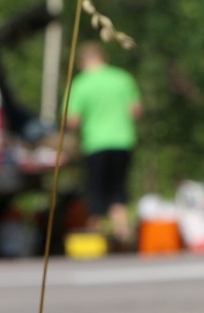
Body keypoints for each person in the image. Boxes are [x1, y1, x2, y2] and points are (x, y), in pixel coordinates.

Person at [66, 42, 142, 248]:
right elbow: (136, 111)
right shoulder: (122, 78)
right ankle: (123, 235)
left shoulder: (81, 83)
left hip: (95, 143)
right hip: (122, 141)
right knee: (119, 189)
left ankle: (95, 239)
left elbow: (72, 120)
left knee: (96, 190)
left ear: (84, 61)